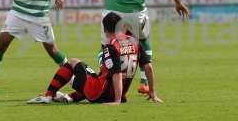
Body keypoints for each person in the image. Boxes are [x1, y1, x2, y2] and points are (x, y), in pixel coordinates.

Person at [27, 12, 162, 105]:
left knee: (73, 62)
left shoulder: (111, 46)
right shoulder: (135, 42)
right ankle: (69, 97)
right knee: (94, 75)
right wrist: (152, 92)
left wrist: (117, 101)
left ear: (105, 29)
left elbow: (116, 74)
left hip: (100, 94)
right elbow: (148, 67)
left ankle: (48, 95)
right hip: (117, 93)